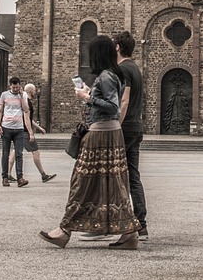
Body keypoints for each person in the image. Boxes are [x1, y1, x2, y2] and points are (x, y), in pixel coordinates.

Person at [40, 35, 140, 250]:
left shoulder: (106, 76)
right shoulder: (115, 74)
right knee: (114, 183)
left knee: (82, 180)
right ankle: (129, 232)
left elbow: (113, 106)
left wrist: (87, 98)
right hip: (110, 133)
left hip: (101, 134)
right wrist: (90, 92)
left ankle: (63, 231)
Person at [114, 31, 148, 240]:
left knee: (114, 174)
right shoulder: (134, 67)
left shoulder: (123, 69)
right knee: (133, 176)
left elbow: (124, 101)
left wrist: (117, 125)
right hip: (136, 126)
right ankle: (141, 223)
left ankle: (117, 222)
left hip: (125, 128)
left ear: (117, 47)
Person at [8, 84, 56, 183]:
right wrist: (31, 133)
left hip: (19, 129)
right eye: (34, 90)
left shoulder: (23, 100)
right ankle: (43, 175)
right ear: (30, 91)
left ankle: (7, 174)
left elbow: (29, 119)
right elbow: (26, 119)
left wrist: (38, 128)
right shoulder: (27, 102)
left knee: (14, 152)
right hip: (24, 131)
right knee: (36, 152)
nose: (35, 92)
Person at [0, 76, 35, 187]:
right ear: (10, 86)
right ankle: (5, 177)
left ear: (20, 86)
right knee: (5, 154)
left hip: (19, 129)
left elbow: (26, 109)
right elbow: (0, 111)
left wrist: (21, 96)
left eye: (17, 87)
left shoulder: (22, 95)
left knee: (19, 154)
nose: (15, 89)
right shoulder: (4, 95)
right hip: (6, 127)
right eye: (13, 87)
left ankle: (20, 178)